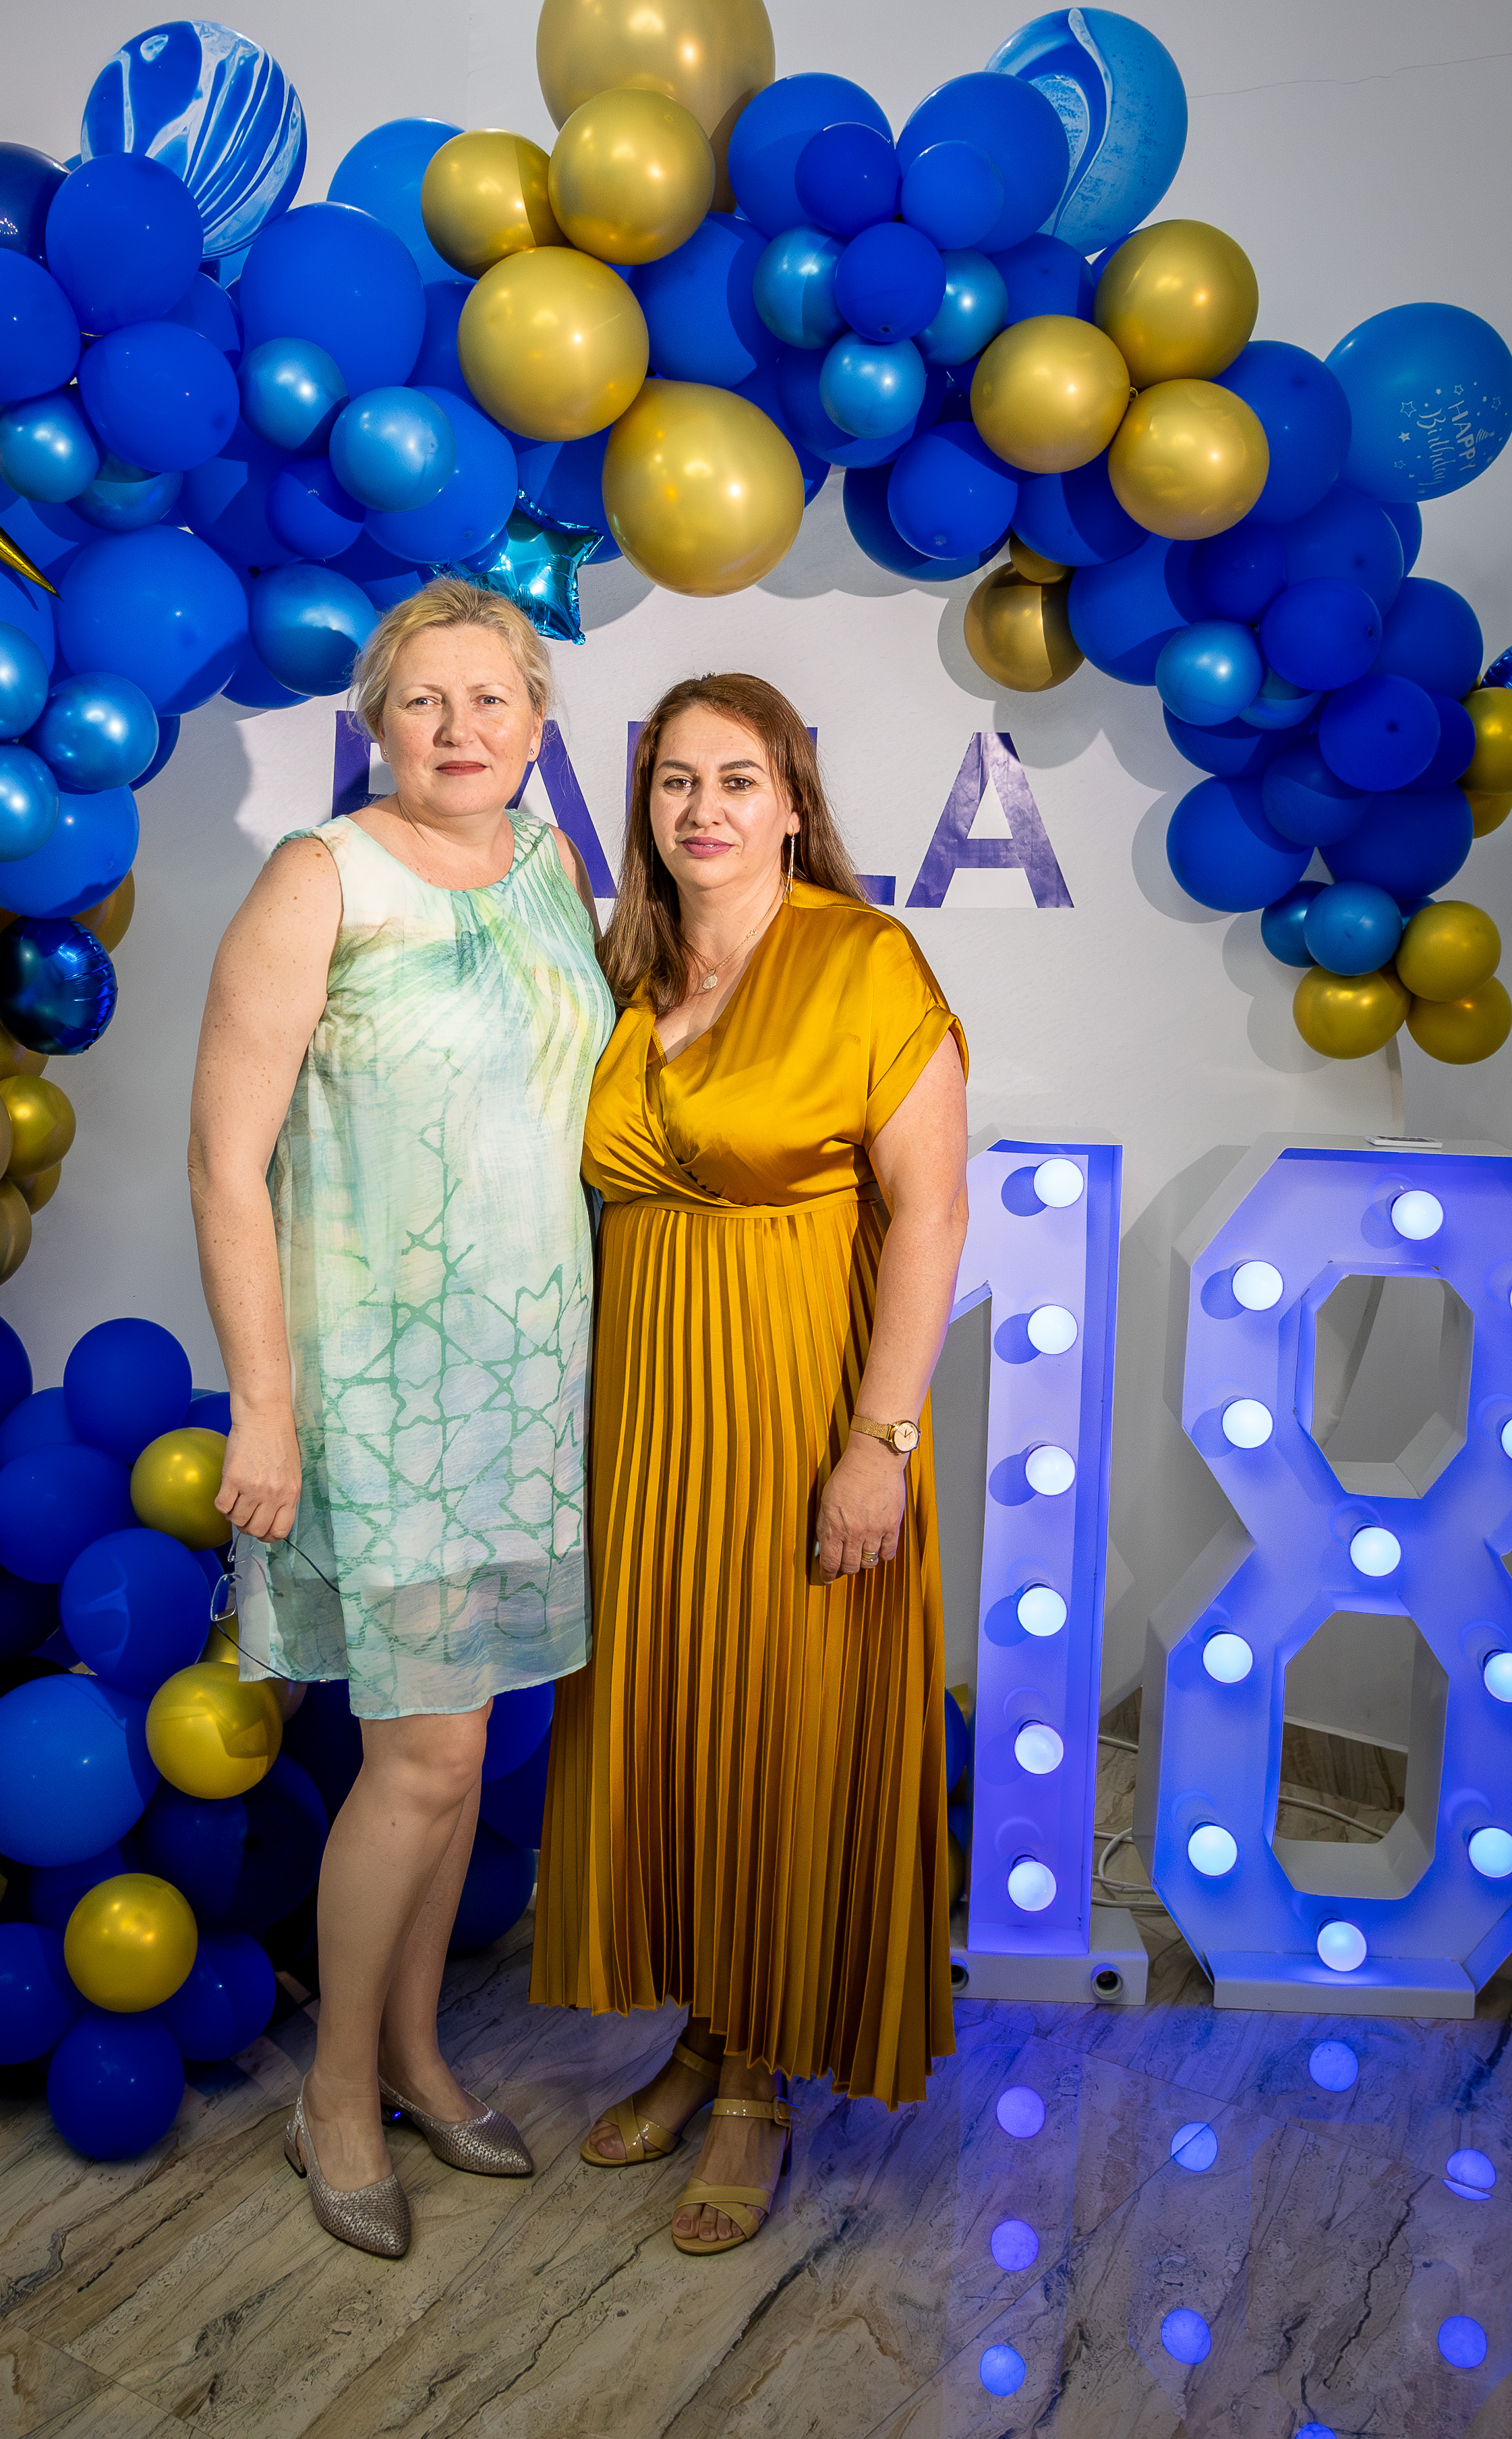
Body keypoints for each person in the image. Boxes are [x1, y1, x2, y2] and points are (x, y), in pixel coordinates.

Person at [187, 579, 613, 2260]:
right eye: (423, 699)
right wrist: (264, 1408)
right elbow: (226, 1164)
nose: (458, 727)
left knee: (461, 1750)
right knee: (422, 1756)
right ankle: (337, 2095)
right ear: (376, 719)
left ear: (538, 722)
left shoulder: (548, 867)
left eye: (489, 698)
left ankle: (422, 2052)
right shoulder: (321, 877)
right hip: (376, 1390)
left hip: (526, 1385)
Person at [533, 670, 969, 2255]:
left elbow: (929, 1213)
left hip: (800, 1403)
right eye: (673, 781)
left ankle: (758, 2083)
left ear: (794, 801)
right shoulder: (622, 970)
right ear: (642, 807)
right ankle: (704, 2030)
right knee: (673, 1722)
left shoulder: (864, 957)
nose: (701, 807)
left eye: (735, 778)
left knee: (783, 1725)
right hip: (649, 1415)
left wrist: (879, 1442)